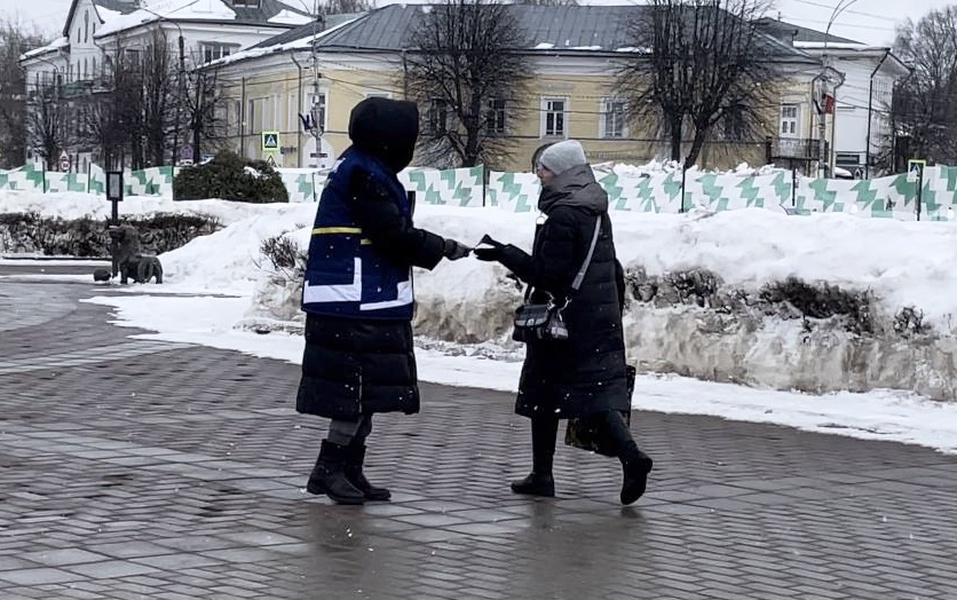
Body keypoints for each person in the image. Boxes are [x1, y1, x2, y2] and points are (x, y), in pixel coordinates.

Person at [296, 97, 472, 505]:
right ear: (391, 140)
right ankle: (329, 470)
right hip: (354, 302)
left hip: (358, 299)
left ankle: (349, 469)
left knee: (364, 391)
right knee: (353, 390)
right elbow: (391, 235)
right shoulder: (365, 174)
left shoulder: (358, 165)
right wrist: (441, 246)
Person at [474, 139, 653, 505]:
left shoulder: (563, 215)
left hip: (564, 320)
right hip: (594, 313)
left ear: (563, 173)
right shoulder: (594, 207)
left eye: (545, 170)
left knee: (548, 394)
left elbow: (547, 274)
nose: (539, 175)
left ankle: (560, 471)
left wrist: (504, 253)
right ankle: (621, 458)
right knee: (589, 391)